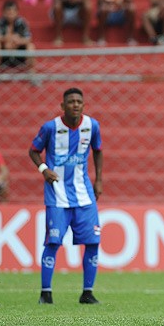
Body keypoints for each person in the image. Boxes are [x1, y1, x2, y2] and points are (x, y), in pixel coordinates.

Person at [29, 87, 103, 305]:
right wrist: (43, 169)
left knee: (93, 241)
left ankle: (87, 293)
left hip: (84, 195)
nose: (75, 105)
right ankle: (46, 293)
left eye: (79, 101)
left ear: (83, 105)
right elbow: (33, 150)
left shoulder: (92, 126)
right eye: (70, 101)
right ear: (63, 106)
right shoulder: (51, 127)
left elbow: (98, 151)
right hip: (57, 195)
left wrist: (98, 179)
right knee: (53, 241)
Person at [0, 0, 34, 73]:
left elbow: (29, 38)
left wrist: (18, 41)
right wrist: (5, 38)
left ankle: (31, 73)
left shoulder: (22, 22)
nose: (10, 15)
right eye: (8, 12)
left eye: (12, 12)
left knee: (30, 46)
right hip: (4, 53)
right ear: (3, 12)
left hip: (19, 51)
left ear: (17, 12)